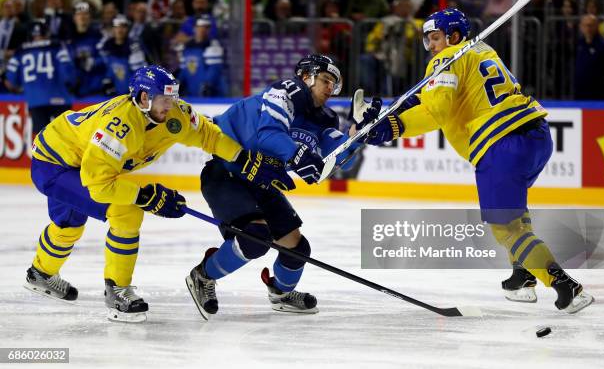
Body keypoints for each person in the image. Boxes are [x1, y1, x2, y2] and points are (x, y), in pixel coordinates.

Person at [355, 8, 594, 314]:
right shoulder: (481, 49)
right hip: (536, 135)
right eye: (428, 40)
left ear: (453, 36)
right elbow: (436, 99)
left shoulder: (447, 58)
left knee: (506, 229)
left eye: (436, 38)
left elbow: (436, 110)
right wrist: (399, 109)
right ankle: (522, 275)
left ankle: (565, 287)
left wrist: (389, 127)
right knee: (514, 211)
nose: (432, 46)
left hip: (500, 144)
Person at [23, 65, 295, 323]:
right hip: (54, 164)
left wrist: (242, 159)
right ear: (143, 98)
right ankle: (117, 291)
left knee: (68, 224)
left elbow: (208, 136)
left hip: (72, 152)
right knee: (125, 212)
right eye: (165, 99)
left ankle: (41, 272)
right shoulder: (118, 127)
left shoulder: (173, 114)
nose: (172, 104)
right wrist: (146, 197)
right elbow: (98, 183)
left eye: (174, 97)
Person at [186, 54, 360, 320]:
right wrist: (297, 154)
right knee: (255, 238)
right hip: (226, 170)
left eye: (333, 84)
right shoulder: (285, 92)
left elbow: (341, 161)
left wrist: (359, 135)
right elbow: (267, 135)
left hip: (260, 177)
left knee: (297, 249)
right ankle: (202, 276)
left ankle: (280, 293)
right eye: (325, 79)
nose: (329, 88)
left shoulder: (326, 118)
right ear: (306, 77)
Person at [4, 19, 75, 136]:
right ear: (46, 34)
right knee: (65, 137)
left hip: (35, 100)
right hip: (60, 98)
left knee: (42, 140)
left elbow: (11, 81)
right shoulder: (57, 47)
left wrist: (21, 89)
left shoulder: (20, 52)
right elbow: (69, 75)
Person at [176, 17, 227, 97]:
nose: (203, 30)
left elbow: (214, 69)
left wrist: (207, 85)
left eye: (206, 27)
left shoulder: (213, 45)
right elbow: (183, 70)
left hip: (211, 96)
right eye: (200, 27)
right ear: (194, 28)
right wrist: (178, 83)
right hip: (191, 95)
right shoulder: (186, 47)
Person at [98, 15, 146, 95]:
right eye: (117, 27)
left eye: (123, 27)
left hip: (130, 94)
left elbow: (139, 72)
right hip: (111, 94)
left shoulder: (134, 47)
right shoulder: (105, 46)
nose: (119, 30)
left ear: (128, 29)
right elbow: (104, 68)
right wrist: (107, 81)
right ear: (113, 29)